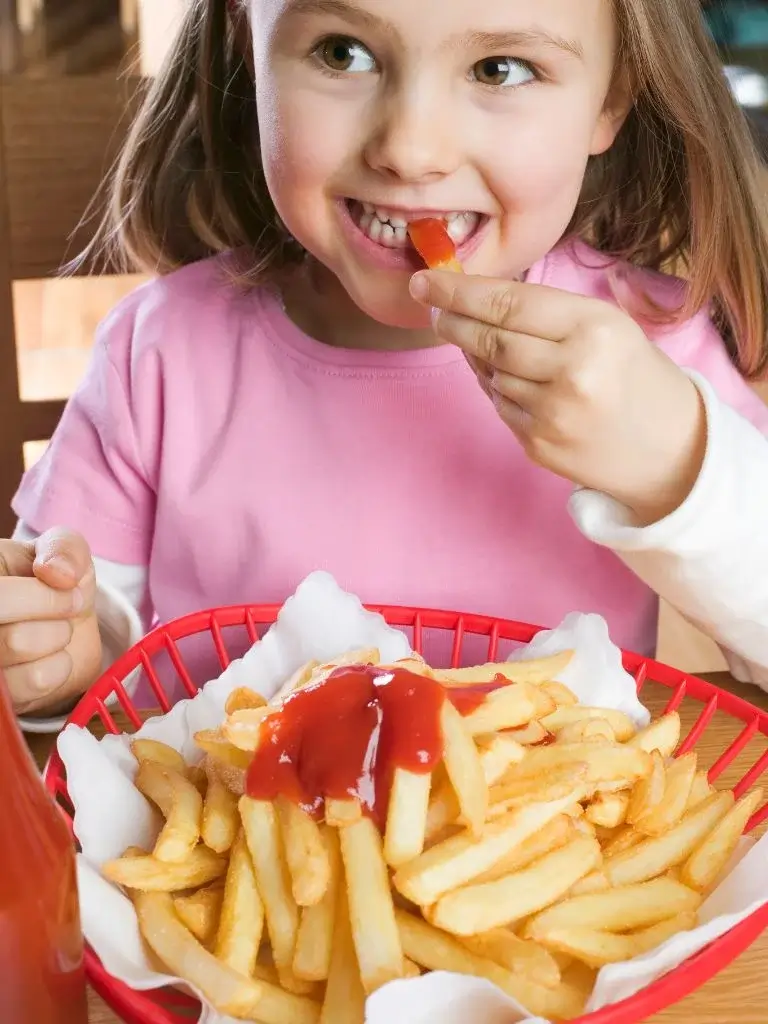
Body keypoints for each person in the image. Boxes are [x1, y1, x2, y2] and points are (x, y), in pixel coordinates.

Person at [3, 0, 768, 730]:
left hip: (569, 857)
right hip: (231, 853)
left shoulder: (648, 350)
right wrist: (62, 653)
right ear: (249, 45)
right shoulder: (157, 353)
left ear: (611, 97)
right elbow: (87, 628)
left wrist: (680, 466)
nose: (409, 148)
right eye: (343, 53)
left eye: (500, 68)